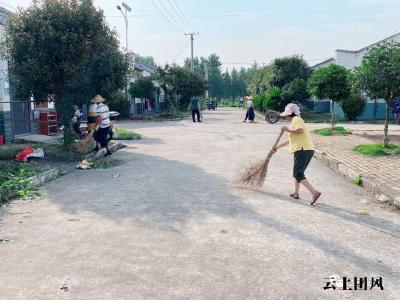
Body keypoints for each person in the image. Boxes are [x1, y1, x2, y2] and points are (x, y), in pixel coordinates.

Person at [273, 103, 321, 205]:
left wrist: (287, 129)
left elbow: (300, 130)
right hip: (305, 149)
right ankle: (296, 193)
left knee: (297, 173)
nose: (285, 117)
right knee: (299, 173)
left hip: (303, 150)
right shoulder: (294, 122)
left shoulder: (296, 120)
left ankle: (314, 192)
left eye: (286, 115)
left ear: (290, 114)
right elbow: (290, 140)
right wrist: (277, 147)